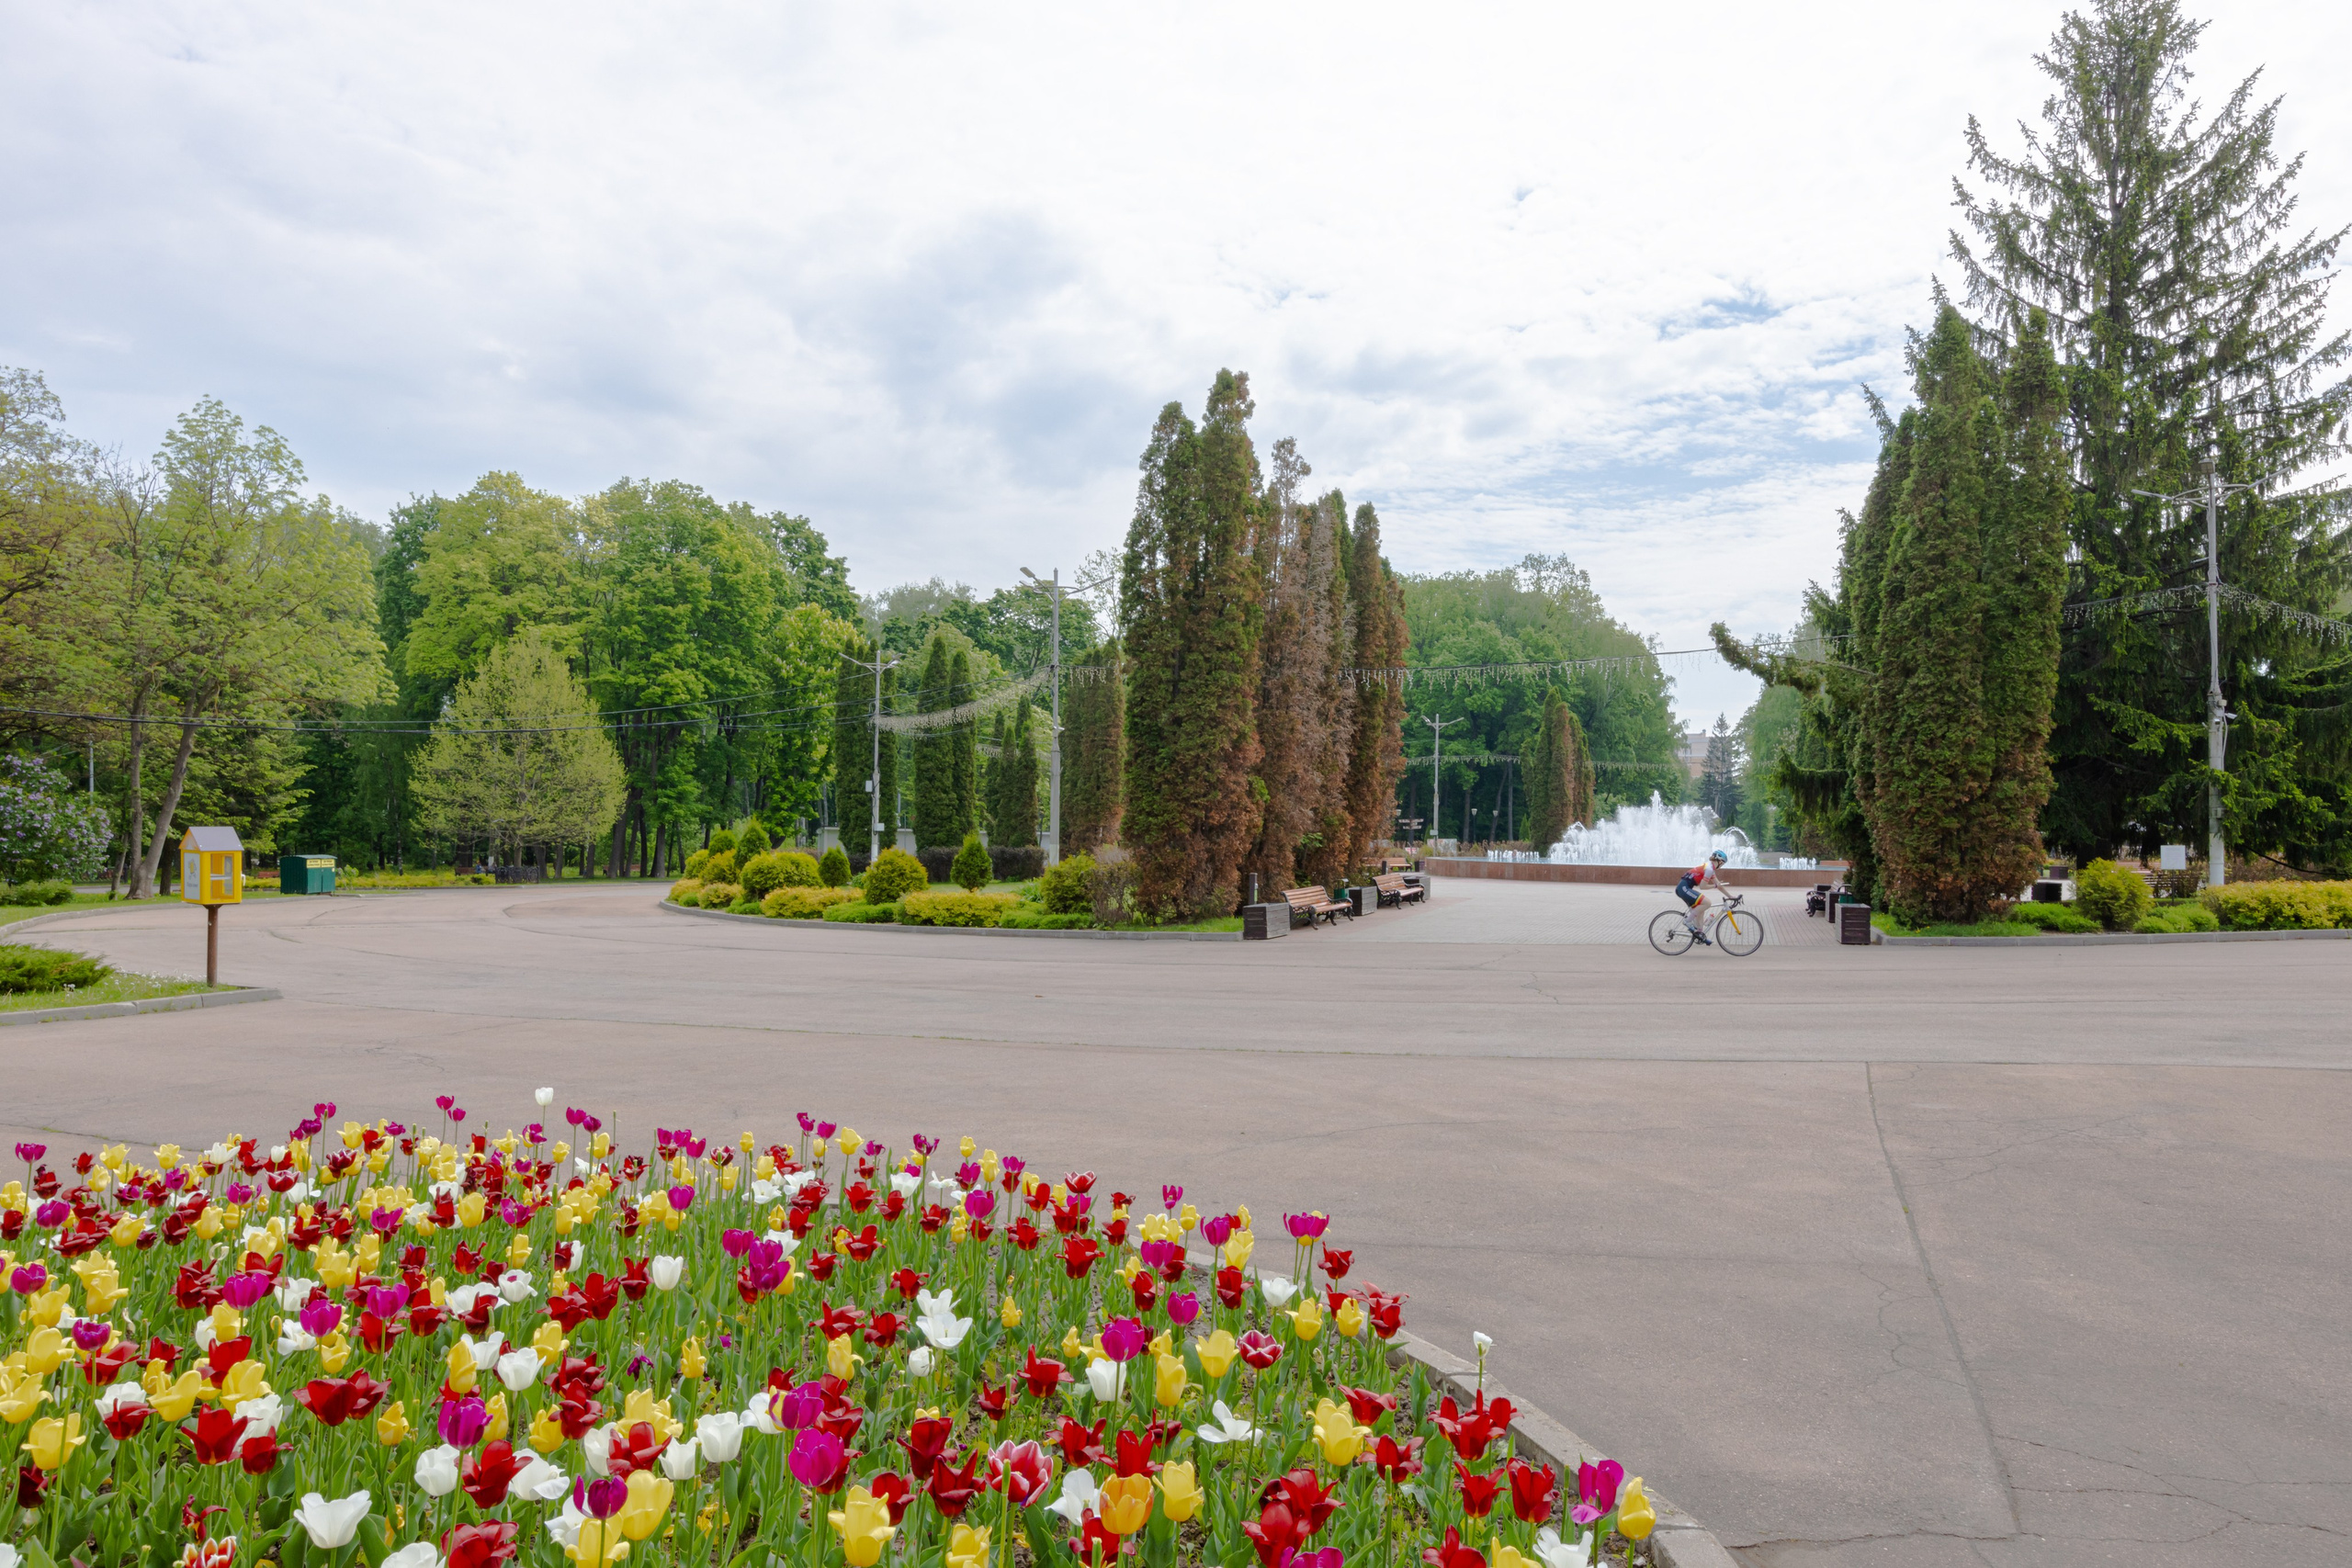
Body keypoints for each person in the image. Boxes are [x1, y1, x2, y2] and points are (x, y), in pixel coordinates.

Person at [1677, 849, 1731, 945]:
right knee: (1707, 903)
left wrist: (1730, 896)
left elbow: (1719, 885)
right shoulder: (1709, 869)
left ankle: (1700, 935)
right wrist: (1715, 886)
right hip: (1683, 888)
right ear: (1720, 861)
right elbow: (1703, 886)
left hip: (1685, 888)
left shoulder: (1710, 868)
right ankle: (1687, 921)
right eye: (1723, 863)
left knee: (1701, 911)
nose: (1722, 866)